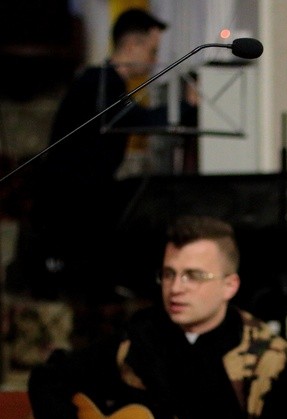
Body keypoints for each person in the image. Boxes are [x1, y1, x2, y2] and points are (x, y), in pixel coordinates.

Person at [26, 215, 287, 419]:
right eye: (168, 274)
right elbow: (49, 378)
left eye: (193, 276)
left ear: (230, 285)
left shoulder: (271, 359)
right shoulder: (139, 335)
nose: (176, 288)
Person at [28, 8, 195, 304]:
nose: (155, 60)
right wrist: (186, 106)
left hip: (80, 198)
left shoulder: (103, 83)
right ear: (131, 45)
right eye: (152, 50)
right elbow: (139, 120)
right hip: (69, 203)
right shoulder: (99, 82)